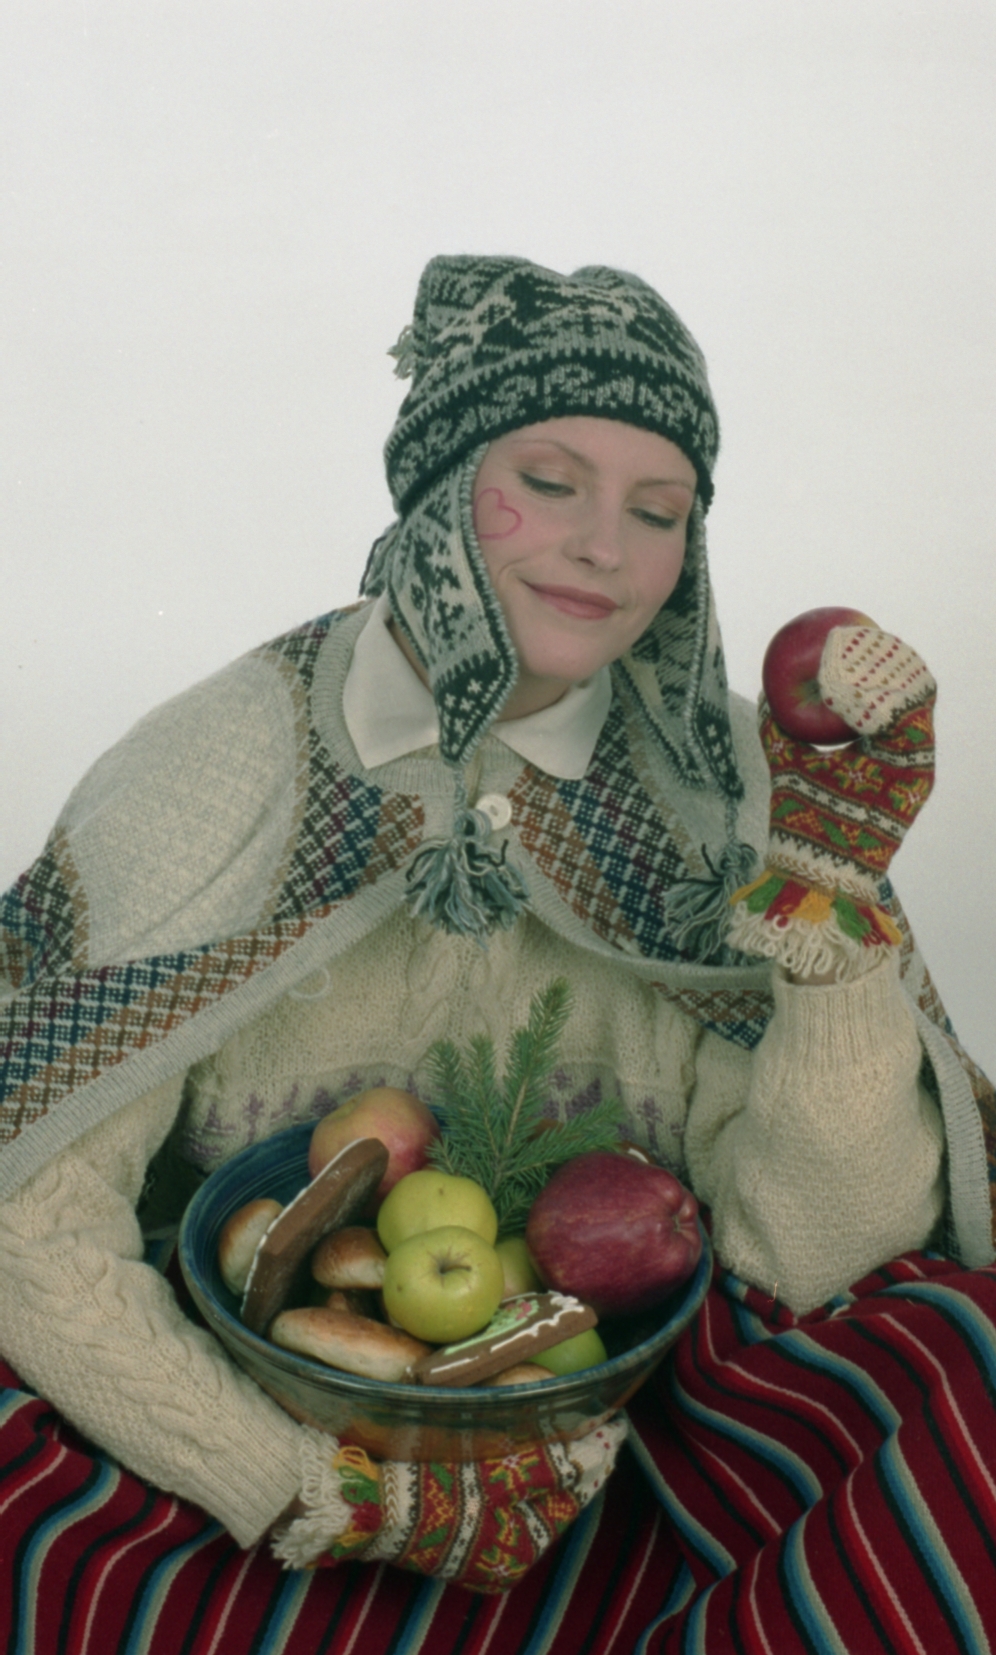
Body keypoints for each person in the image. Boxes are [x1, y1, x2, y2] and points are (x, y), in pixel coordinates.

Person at [1, 254, 994, 1654]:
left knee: (966, 1371)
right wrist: (321, 1489)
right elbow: (32, 1216)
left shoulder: (724, 789)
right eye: (549, 480)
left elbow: (819, 1269)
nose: (604, 549)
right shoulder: (218, 767)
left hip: (620, 1419)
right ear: (441, 476)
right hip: (238, 1403)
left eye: (657, 512)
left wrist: (830, 927)